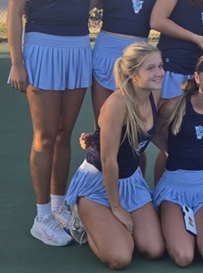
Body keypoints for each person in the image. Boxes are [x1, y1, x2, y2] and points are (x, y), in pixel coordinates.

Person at [7, 0, 95, 246]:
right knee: (44, 137)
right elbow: (14, 12)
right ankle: (41, 216)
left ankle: (59, 207)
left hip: (78, 49)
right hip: (42, 50)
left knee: (64, 134)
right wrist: (17, 62)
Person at [65, 42, 165, 269]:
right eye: (150, 68)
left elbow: (147, 132)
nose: (159, 73)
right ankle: (86, 220)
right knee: (120, 258)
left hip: (130, 180)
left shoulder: (154, 92)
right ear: (132, 74)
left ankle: (109, 227)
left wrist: (169, 150)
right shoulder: (117, 104)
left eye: (160, 66)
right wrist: (117, 207)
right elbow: (108, 161)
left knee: (154, 249)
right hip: (100, 183)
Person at [153, 53, 203, 267]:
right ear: (197, 77)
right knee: (184, 257)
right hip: (173, 189)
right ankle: (167, 217)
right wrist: (168, 150)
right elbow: (151, 131)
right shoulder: (174, 105)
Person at [90, 0, 166, 124]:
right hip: (105, 55)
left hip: (140, 59)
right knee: (104, 124)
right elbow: (85, 6)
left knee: (136, 127)